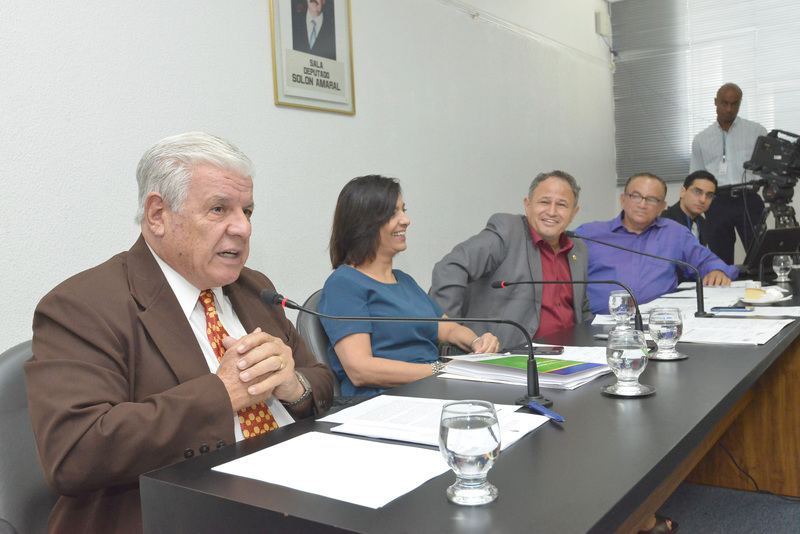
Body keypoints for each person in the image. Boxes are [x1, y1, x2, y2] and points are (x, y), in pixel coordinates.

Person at [24, 132, 334, 534]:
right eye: (219, 209)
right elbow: (75, 452)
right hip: (171, 514)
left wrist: (293, 386)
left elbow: (321, 381)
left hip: (294, 493)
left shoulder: (253, 287)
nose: (243, 228)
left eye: (247, 211)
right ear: (158, 214)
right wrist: (223, 393)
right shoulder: (82, 305)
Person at [318, 175, 500, 397]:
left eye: (403, 210)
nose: (406, 220)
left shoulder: (404, 280)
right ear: (364, 222)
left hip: (432, 389)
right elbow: (360, 369)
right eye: (392, 213)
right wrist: (440, 370)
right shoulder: (343, 285)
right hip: (385, 401)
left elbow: (449, 329)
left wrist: (477, 342)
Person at [429, 170, 592, 349]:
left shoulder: (578, 250)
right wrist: (451, 334)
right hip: (511, 355)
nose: (552, 212)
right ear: (527, 205)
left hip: (571, 356)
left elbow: (581, 310)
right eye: (544, 202)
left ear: (573, 213)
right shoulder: (507, 232)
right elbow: (450, 268)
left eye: (561, 205)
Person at [574, 172, 738, 315]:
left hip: (658, 325)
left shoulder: (675, 233)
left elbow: (707, 261)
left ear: (662, 207)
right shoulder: (589, 234)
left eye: (652, 199)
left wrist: (717, 271)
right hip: (597, 324)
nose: (642, 205)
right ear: (623, 200)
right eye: (636, 196)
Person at [690, 82, 767, 264]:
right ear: (715, 102)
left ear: (740, 103)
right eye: (724, 103)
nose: (729, 109)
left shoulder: (757, 131)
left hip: (748, 199)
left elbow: (766, 167)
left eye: (735, 104)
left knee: (761, 256)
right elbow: (696, 177)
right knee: (720, 259)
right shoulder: (701, 139)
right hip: (717, 202)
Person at [661, 170, 718, 246]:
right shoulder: (662, 221)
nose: (703, 200)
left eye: (709, 195)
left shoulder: (704, 224)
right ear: (683, 192)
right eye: (697, 192)